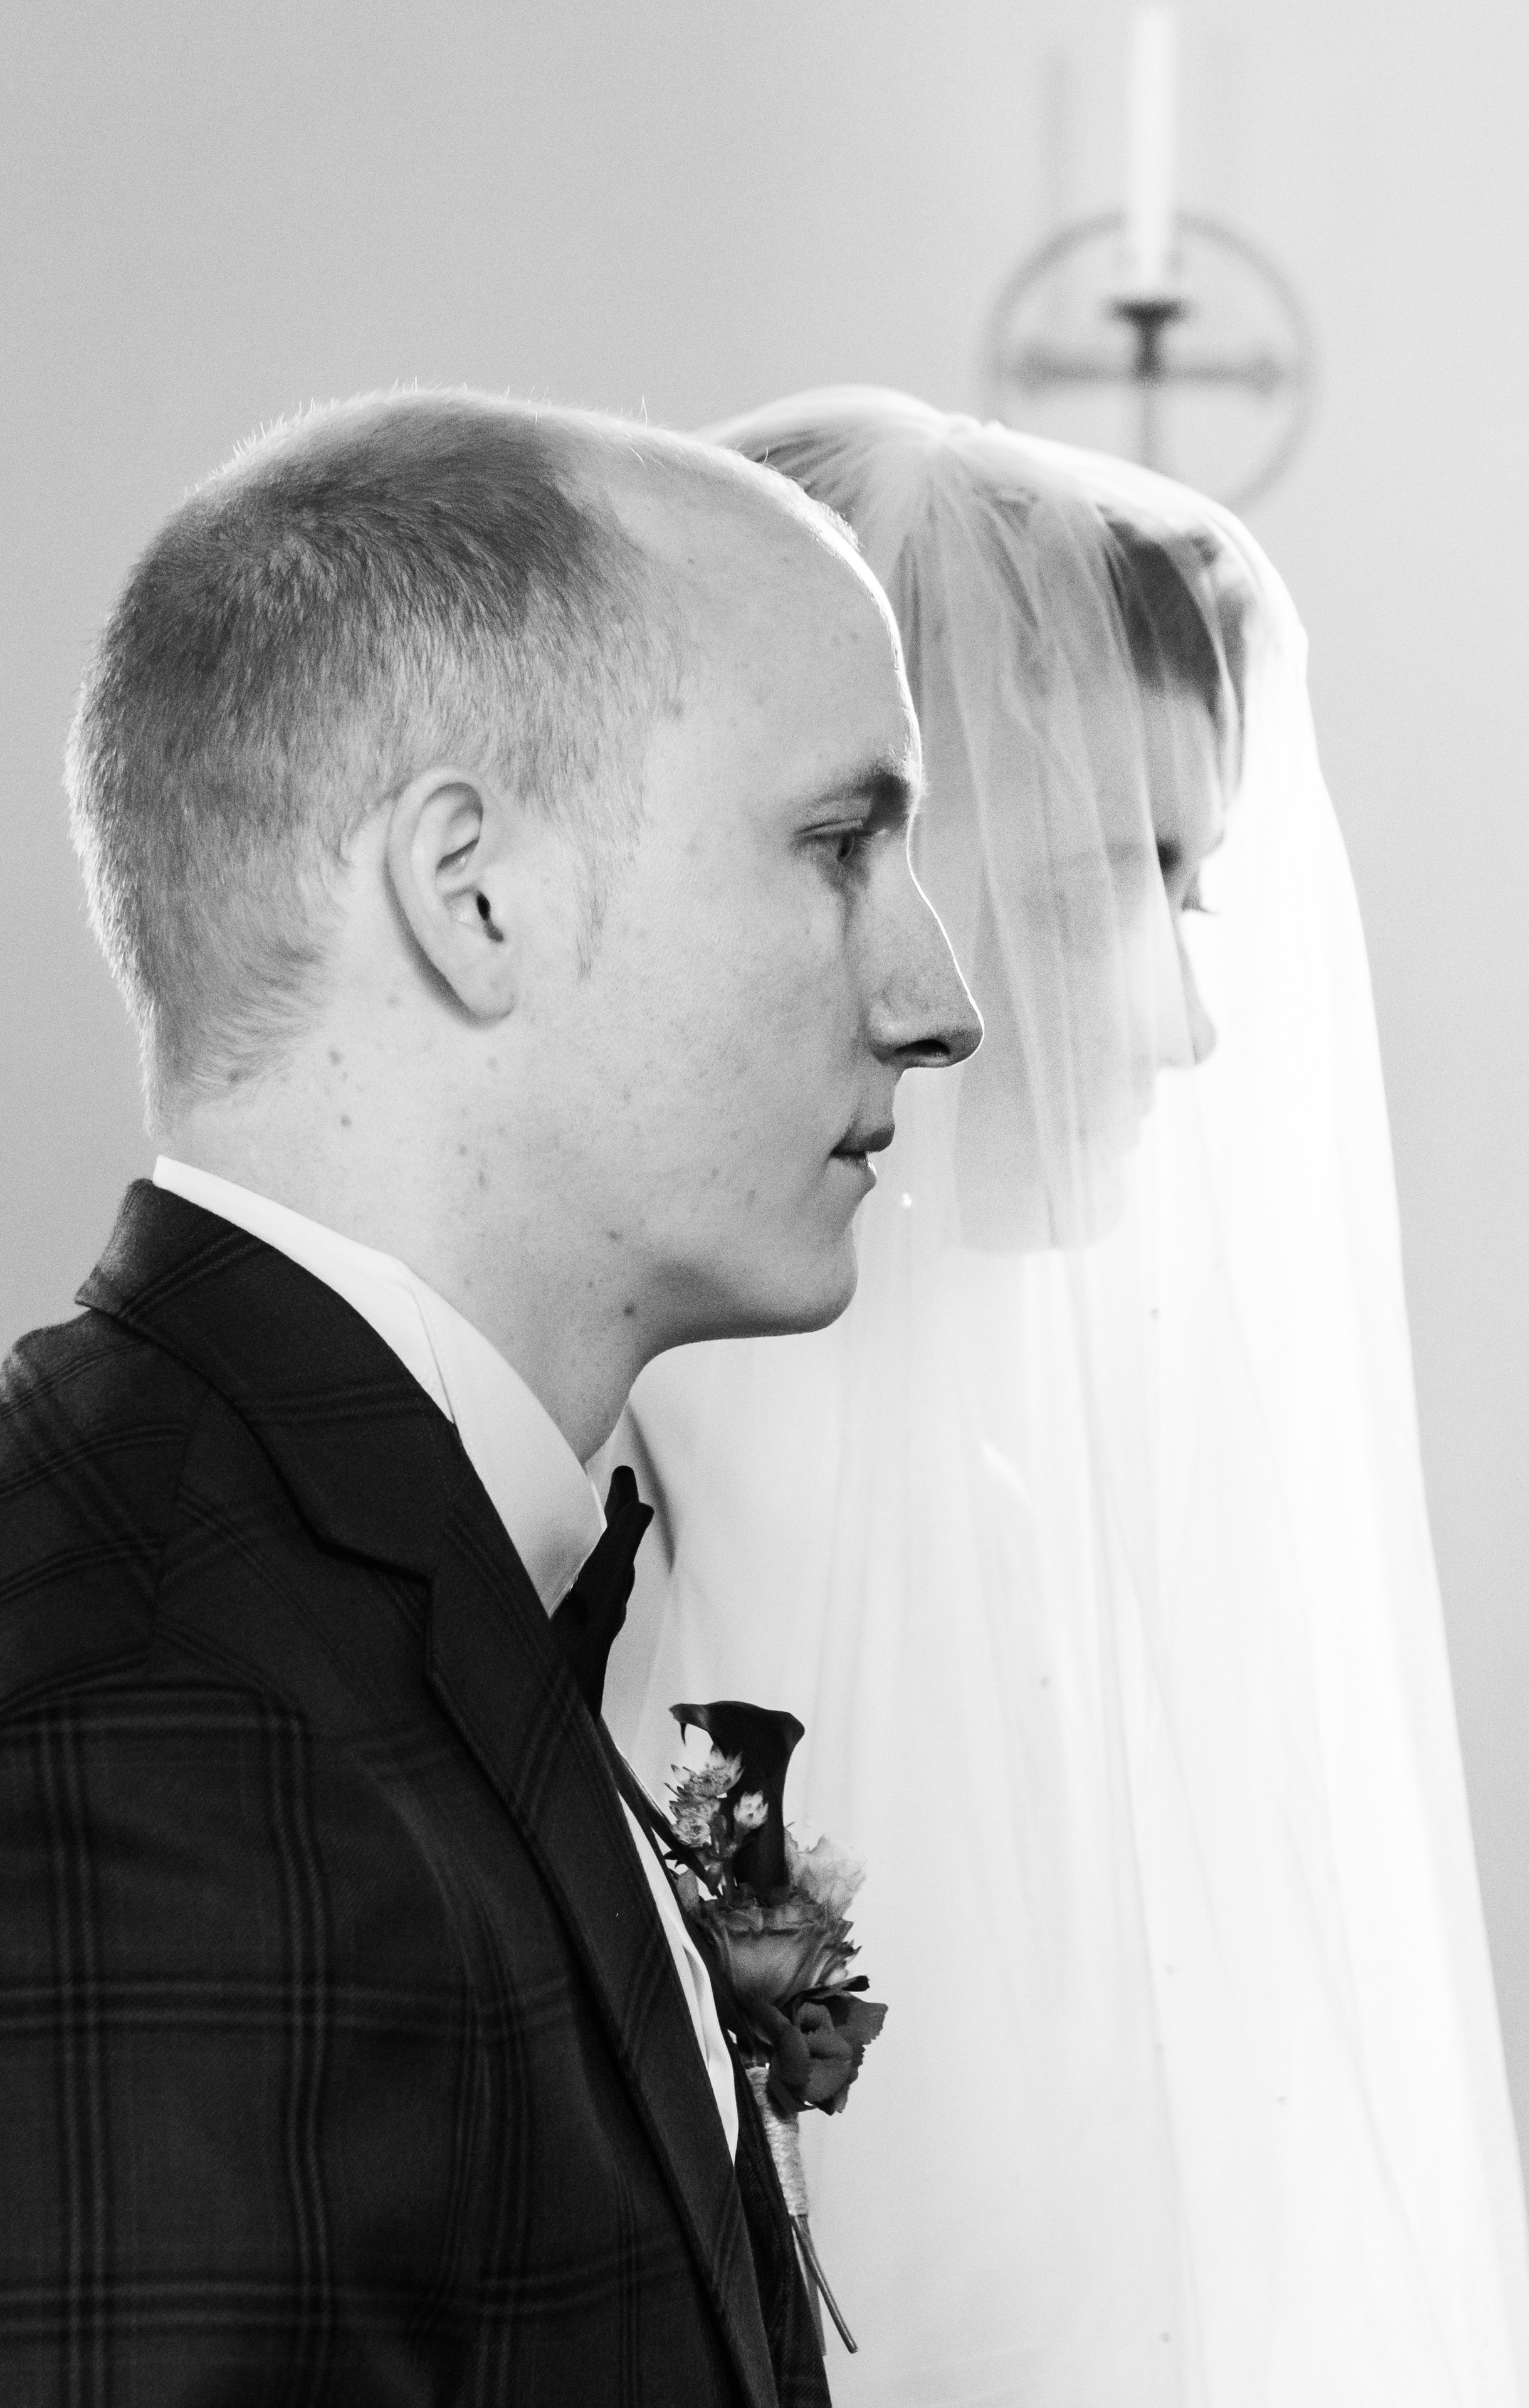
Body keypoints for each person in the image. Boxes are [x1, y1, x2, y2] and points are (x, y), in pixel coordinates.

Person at [0, 388, 982, 2406]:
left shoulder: (339, 1588)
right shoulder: (145, 1757)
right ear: (472, 894)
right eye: (839, 844)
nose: (941, 1003)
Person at [602, 391, 1529, 2406]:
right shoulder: (616, 1521)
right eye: (1124, 879)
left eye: (1195, 891)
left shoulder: (1015, 1513)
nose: (1191, 1025)